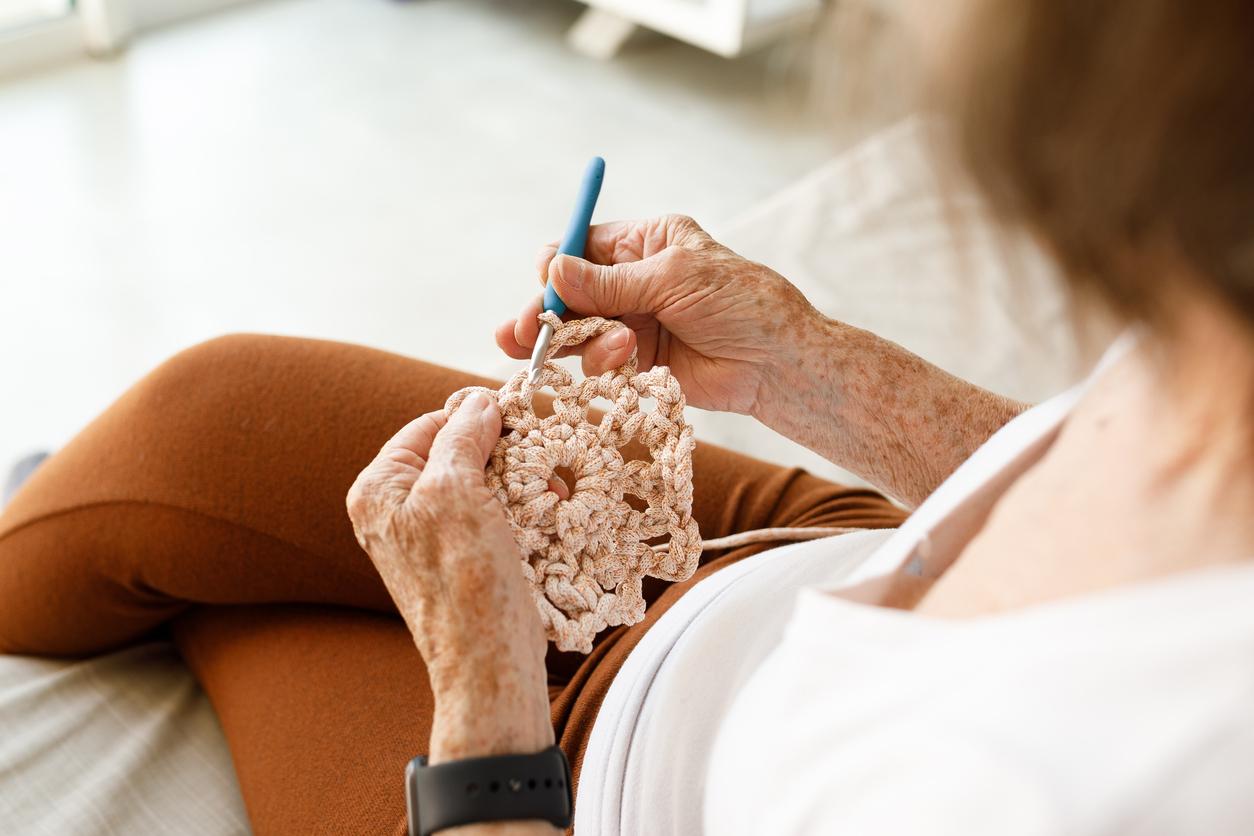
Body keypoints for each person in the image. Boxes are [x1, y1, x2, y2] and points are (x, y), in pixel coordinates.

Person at [3, 0, 1254, 833]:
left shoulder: (1121, 781)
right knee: (208, 413)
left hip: (573, 784)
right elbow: (1079, 459)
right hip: (831, 544)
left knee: (219, 581)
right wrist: (803, 364)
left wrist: (486, 691)